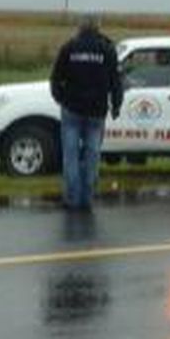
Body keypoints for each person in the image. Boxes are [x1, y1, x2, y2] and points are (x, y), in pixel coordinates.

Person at [49, 14, 123, 210]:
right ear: (98, 26)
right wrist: (116, 105)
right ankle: (87, 198)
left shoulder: (69, 47)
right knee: (92, 156)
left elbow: (56, 78)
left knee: (70, 156)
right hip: (97, 111)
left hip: (72, 110)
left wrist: (61, 99)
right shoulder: (107, 49)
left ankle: (72, 199)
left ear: (80, 26)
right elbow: (116, 81)